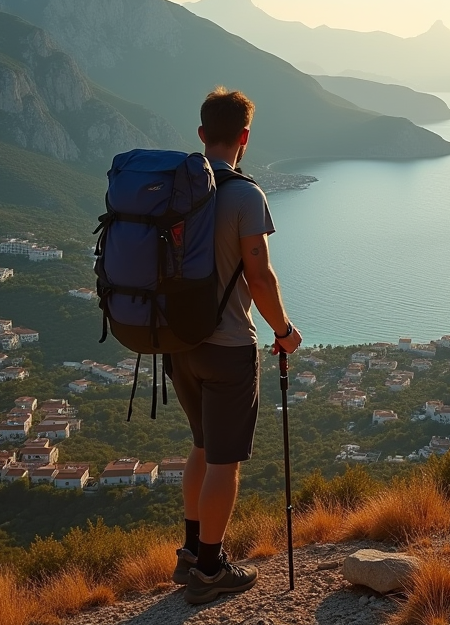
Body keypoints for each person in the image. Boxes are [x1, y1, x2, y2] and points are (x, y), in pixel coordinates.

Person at [166, 86, 302, 605]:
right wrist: (284, 332)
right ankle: (208, 570)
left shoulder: (178, 190)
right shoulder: (246, 195)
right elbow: (260, 277)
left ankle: (189, 552)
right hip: (227, 348)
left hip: (180, 346)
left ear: (202, 135)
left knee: (201, 447)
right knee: (225, 461)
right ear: (244, 137)